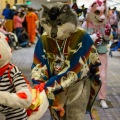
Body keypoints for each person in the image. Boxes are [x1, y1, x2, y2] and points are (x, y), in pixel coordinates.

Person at [31, 2, 101, 120]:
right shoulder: (44, 38)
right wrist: (39, 85)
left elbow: (78, 69)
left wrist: (46, 86)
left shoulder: (81, 35)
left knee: (75, 115)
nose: (53, 31)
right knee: (57, 116)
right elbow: (38, 64)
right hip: (54, 90)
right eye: (49, 24)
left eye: (59, 24)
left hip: (78, 86)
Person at [82, 0, 111, 109]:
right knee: (88, 75)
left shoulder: (106, 23)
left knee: (102, 77)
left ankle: (102, 98)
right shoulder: (86, 23)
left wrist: (106, 33)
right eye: (97, 12)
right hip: (89, 53)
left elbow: (108, 40)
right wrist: (91, 38)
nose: (100, 16)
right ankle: (87, 97)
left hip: (102, 52)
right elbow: (81, 39)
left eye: (102, 12)